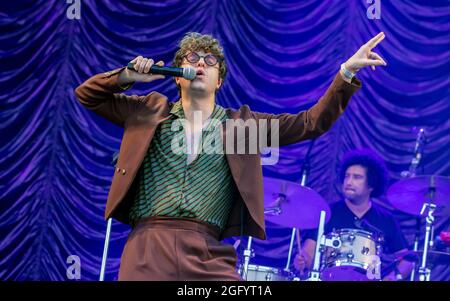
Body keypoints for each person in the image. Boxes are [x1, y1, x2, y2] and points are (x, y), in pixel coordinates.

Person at [75, 31, 386, 280]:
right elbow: (87, 95)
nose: (200, 63)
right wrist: (126, 78)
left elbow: (311, 122)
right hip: (147, 244)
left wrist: (346, 73)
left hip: (207, 251)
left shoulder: (241, 127)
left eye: (210, 61)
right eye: (191, 58)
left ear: (219, 80)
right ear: (178, 75)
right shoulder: (148, 111)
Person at [295, 149, 415, 281]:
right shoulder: (328, 212)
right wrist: (304, 259)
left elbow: (407, 260)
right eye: (347, 176)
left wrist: (392, 277)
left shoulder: (385, 219)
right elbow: (309, 251)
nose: (349, 182)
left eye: (357, 177)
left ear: (371, 185)